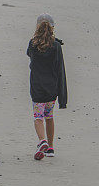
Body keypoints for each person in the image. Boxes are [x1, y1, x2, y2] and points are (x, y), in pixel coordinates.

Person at [26, 13, 68, 161]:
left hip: (37, 88)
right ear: (52, 28)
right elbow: (60, 69)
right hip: (52, 89)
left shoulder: (32, 44)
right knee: (49, 117)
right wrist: (63, 96)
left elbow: (29, 55)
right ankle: (50, 147)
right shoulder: (56, 46)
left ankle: (42, 140)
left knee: (38, 118)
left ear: (37, 27)